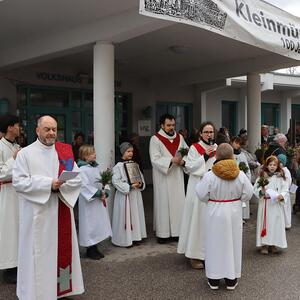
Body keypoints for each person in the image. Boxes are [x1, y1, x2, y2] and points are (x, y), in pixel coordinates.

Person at [12, 115, 84, 300]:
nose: (52, 133)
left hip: (61, 210)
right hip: (38, 214)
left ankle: (60, 290)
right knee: (39, 254)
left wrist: (62, 184)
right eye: (47, 129)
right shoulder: (25, 154)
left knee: (60, 251)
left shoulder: (65, 151)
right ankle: (38, 293)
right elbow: (19, 183)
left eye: (54, 129)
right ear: (37, 131)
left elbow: (77, 177)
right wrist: (47, 185)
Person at [195, 143, 253, 290]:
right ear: (232, 156)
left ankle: (214, 279)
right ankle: (231, 280)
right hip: (233, 211)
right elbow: (248, 193)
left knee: (214, 244)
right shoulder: (239, 174)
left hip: (215, 211)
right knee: (232, 243)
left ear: (216, 156)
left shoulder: (209, 175)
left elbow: (201, 195)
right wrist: (238, 198)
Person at [177, 121, 217, 269]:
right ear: (200, 134)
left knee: (210, 222)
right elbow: (189, 167)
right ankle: (195, 255)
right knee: (197, 220)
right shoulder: (194, 148)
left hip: (213, 189)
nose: (209, 134)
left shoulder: (216, 147)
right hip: (198, 187)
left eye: (211, 132)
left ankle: (209, 254)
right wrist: (204, 157)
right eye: (206, 132)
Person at [149, 114, 188, 243]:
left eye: (173, 125)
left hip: (176, 176)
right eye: (168, 125)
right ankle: (163, 234)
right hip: (163, 177)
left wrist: (183, 161)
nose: (171, 128)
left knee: (178, 204)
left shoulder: (180, 137)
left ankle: (177, 232)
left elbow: (187, 152)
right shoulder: (155, 139)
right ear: (162, 125)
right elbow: (154, 159)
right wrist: (171, 160)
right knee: (163, 204)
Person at [78, 145, 112, 260]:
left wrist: (106, 190)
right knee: (90, 225)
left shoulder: (96, 167)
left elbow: (103, 180)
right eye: (92, 153)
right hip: (89, 203)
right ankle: (90, 249)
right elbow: (83, 186)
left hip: (97, 202)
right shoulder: (81, 170)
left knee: (97, 223)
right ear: (85, 156)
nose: (95, 155)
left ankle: (95, 246)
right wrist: (97, 193)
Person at [112, 142, 147, 247]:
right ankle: (125, 239)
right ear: (123, 152)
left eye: (132, 151)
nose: (131, 153)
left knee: (136, 215)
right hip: (125, 196)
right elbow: (115, 181)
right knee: (125, 216)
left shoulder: (135, 165)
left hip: (135, 195)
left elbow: (140, 177)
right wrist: (129, 186)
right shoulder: (118, 167)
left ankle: (136, 237)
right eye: (128, 151)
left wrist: (140, 184)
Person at [0, 114, 21, 284]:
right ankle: (9, 266)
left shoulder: (17, 146)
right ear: (9, 128)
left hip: (18, 192)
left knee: (18, 228)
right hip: (6, 191)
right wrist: (14, 159)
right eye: (17, 125)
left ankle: (17, 262)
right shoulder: (0, 147)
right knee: (8, 229)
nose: (19, 128)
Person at [254, 156, 289, 255]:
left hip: (276, 204)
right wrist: (261, 192)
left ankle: (273, 244)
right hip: (265, 203)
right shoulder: (262, 176)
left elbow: (285, 188)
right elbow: (256, 188)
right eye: (270, 165)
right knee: (265, 223)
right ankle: (264, 244)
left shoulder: (280, 177)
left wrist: (282, 195)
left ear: (277, 166)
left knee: (275, 223)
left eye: (274, 165)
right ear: (267, 165)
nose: (272, 167)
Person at [231, 136, 252, 220]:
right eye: (235, 142)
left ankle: (243, 216)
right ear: (231, 142)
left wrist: (247, 178)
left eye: (239, 143)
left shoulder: (242, 155)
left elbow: (247, 168)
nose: (237, 145)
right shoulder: (229, 154)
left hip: (242, 178)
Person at [277, 154, 292, 229]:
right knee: (282, 209)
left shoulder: (286, 171)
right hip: (281, 193)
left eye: (280, 162)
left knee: (285, 209)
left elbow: (288, 182)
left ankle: (287, 224)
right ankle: (283, 223)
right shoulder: (280, 170)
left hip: (285, 193)